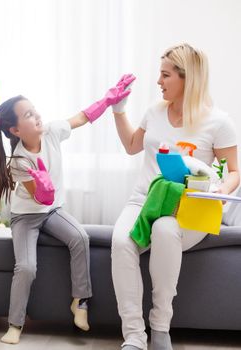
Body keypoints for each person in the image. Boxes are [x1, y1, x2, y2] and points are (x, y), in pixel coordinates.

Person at [110, 43, 239, 350]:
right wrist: (118, 110)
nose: (159, 81)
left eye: (165, 75)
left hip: (190, 208)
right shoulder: (154, 112)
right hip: (145, 200)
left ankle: (160, 327)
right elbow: (131, 146)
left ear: (187, 78)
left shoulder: (218, 122)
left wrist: (221, 190)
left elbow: (234, 171)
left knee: (165, 229)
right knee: (120, 242)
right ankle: (134, 336)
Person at [0, 74, 135, 344]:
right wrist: (43, 187)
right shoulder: (18, 162)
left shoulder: (52, 132)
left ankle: (80, 302)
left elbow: (81, 118)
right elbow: (39, 200)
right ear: (15, 131)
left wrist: (107, 100)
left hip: (52, 212)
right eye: (29, 115)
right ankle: (15, 324)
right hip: (25, 217)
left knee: (80, 237)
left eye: (35, 110)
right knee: (26, 268)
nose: (37, 116)